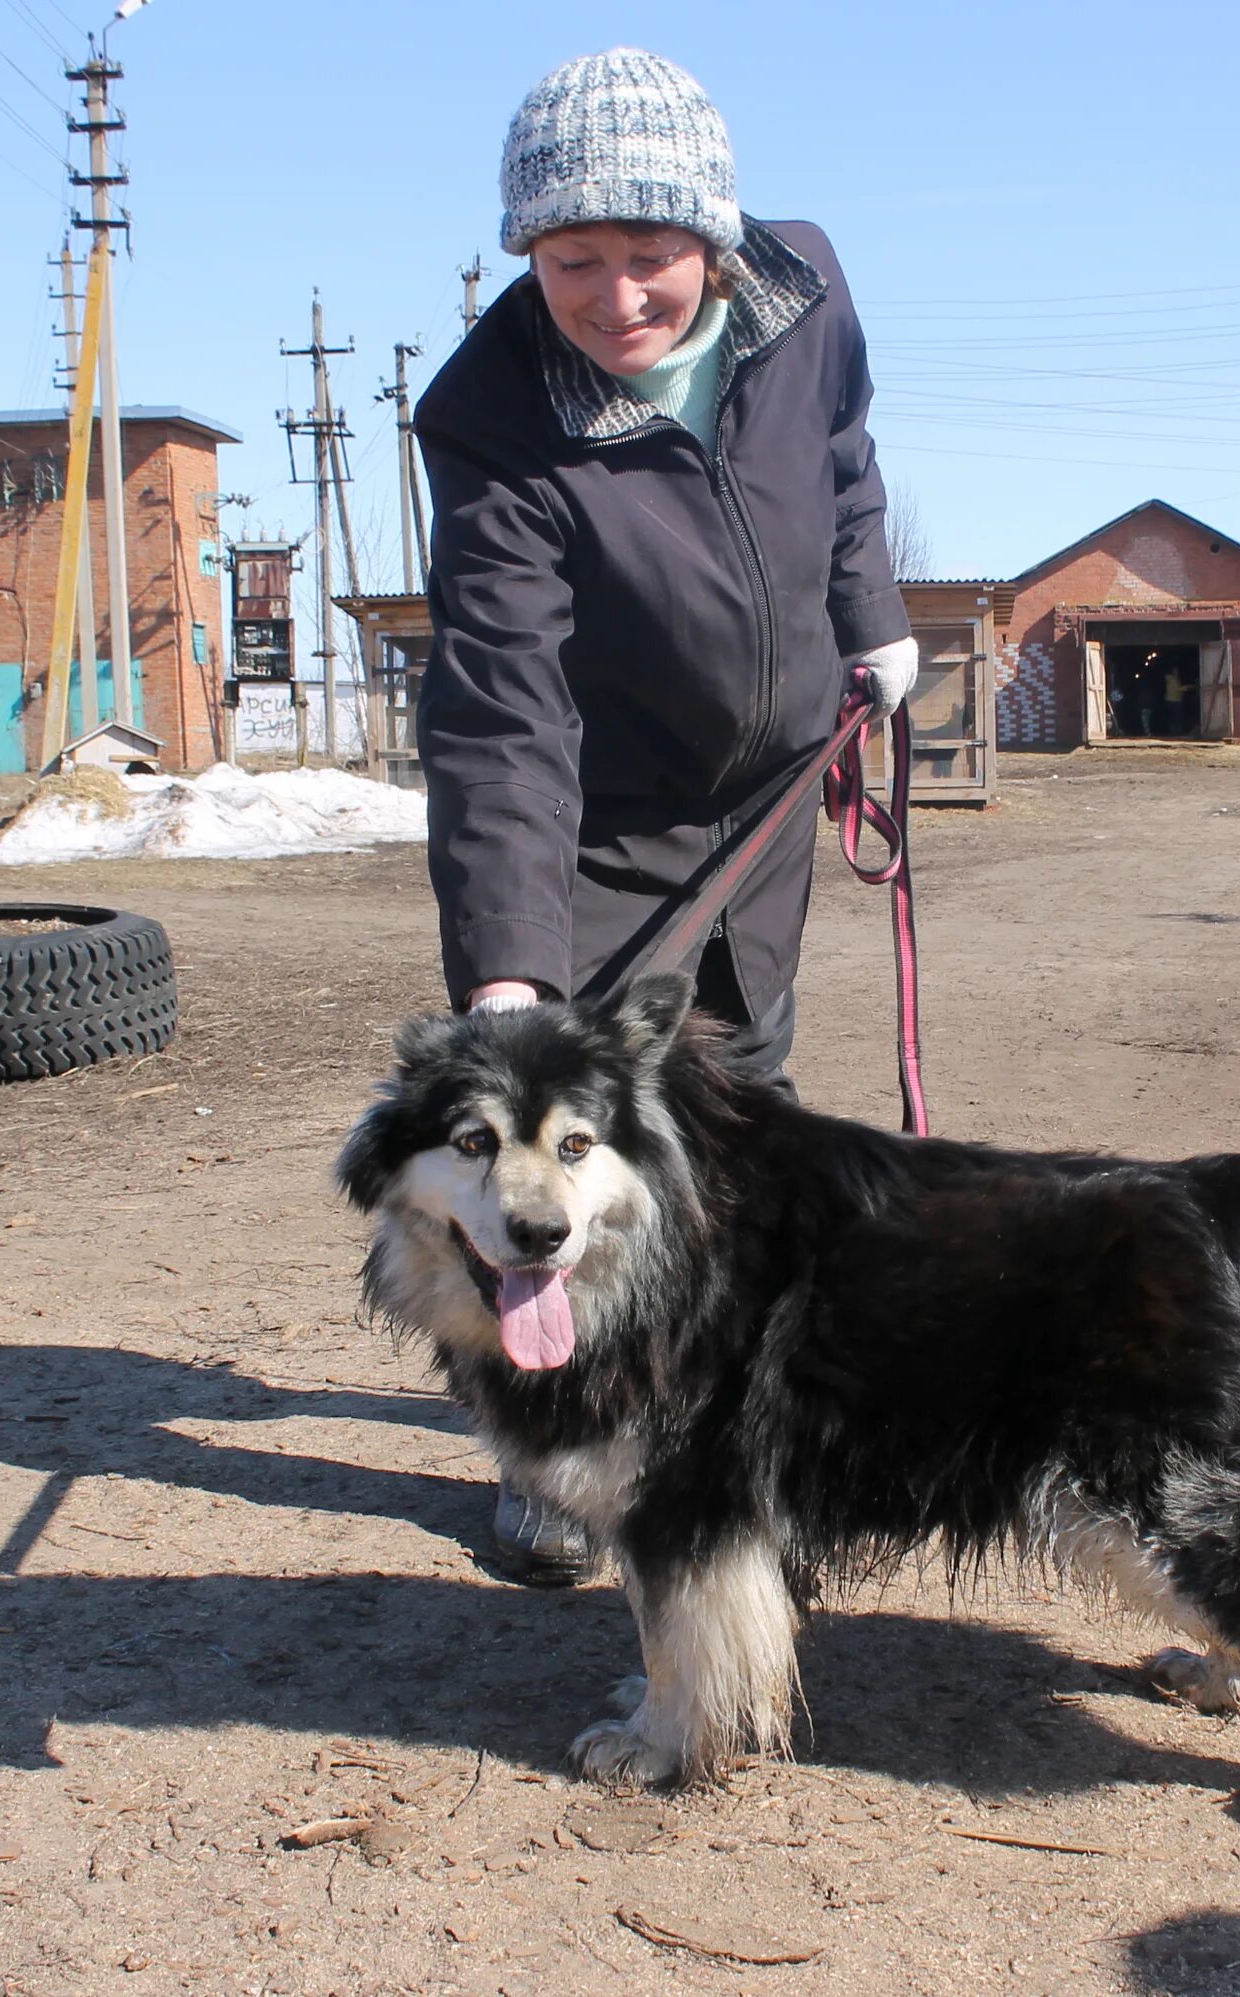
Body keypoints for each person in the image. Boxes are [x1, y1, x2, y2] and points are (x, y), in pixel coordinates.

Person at [413, 48, 917, 1584]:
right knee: (554, 1154)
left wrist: (871, 613)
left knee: (729, 1119)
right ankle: (550, 1451)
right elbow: (502, 705)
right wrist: (509, 971)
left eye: (650, 255)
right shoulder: (493, 415)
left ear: (718, 235)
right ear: (524, 255)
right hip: (594, 821)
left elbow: (842, 460)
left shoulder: (809, 287)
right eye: (573, 261)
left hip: (767, 793)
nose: (618, 295)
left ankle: (724, 1425)